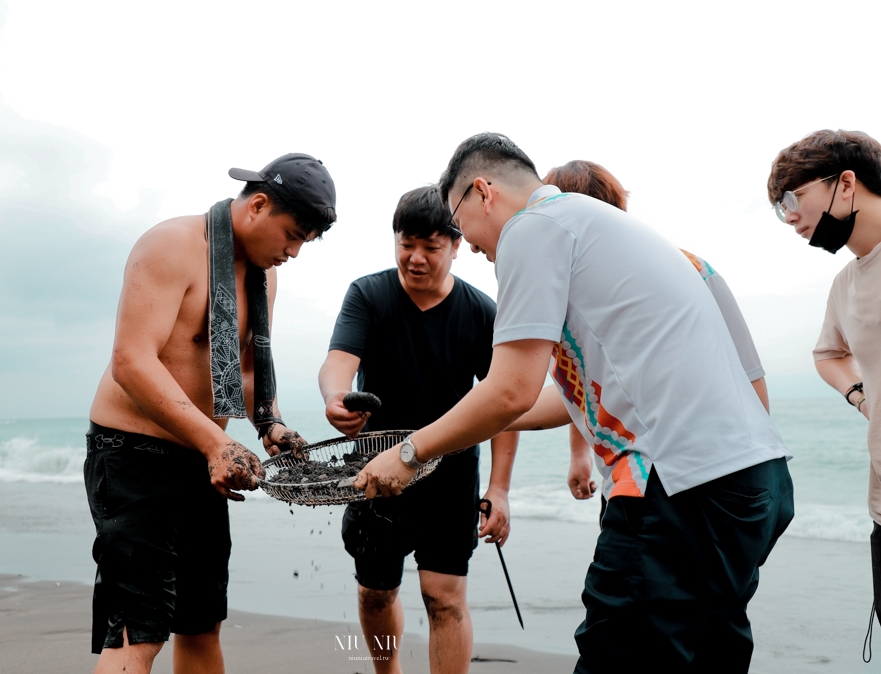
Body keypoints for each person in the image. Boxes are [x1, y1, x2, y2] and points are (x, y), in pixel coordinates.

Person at [356, 133, 793, 673]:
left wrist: (408, 454)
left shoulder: (532, 227)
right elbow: (541, 400)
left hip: (677, 492)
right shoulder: (640, 244)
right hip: (755, 482)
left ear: (481, 192)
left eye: (458, 221)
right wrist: (448, 431)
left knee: (616, 659)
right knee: (709, 654)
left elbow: (509, 390)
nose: (467, 243)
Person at [85, 153, 336, 674]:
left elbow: (240, 374)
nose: (293, 251)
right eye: (292, 235)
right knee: (140, 628)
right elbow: (132, 362)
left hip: (203, 460)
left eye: (303, 243)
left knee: (201, 623)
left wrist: (270, 423)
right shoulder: (172, 244)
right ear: (258, 206)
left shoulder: (263, 277)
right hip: (132, 456)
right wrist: (215, 442)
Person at [318, 185, 518, 674]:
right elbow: (339, 362)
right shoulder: (369, 294)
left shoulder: (481, 312)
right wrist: (335, 399)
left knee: (444, 598)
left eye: (432, 246)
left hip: (450, 475)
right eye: (407, 243)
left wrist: (499, 488)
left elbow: (505, 404)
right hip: (377, 472)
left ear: (456, 245)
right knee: (374, 593)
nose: (417, 258)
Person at [540, 161, 770, 512]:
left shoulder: (680, 270)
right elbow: (594, 383)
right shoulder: (684, 265)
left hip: (674, 479)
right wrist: (579, 454)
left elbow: (748, 374)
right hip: (695, 475)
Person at [769, 128, 881, 631]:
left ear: (847, 182)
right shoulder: (846, 282)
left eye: (794, 198)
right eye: (779, 206)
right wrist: (863, 398)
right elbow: (827, 354)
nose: (789, 216)